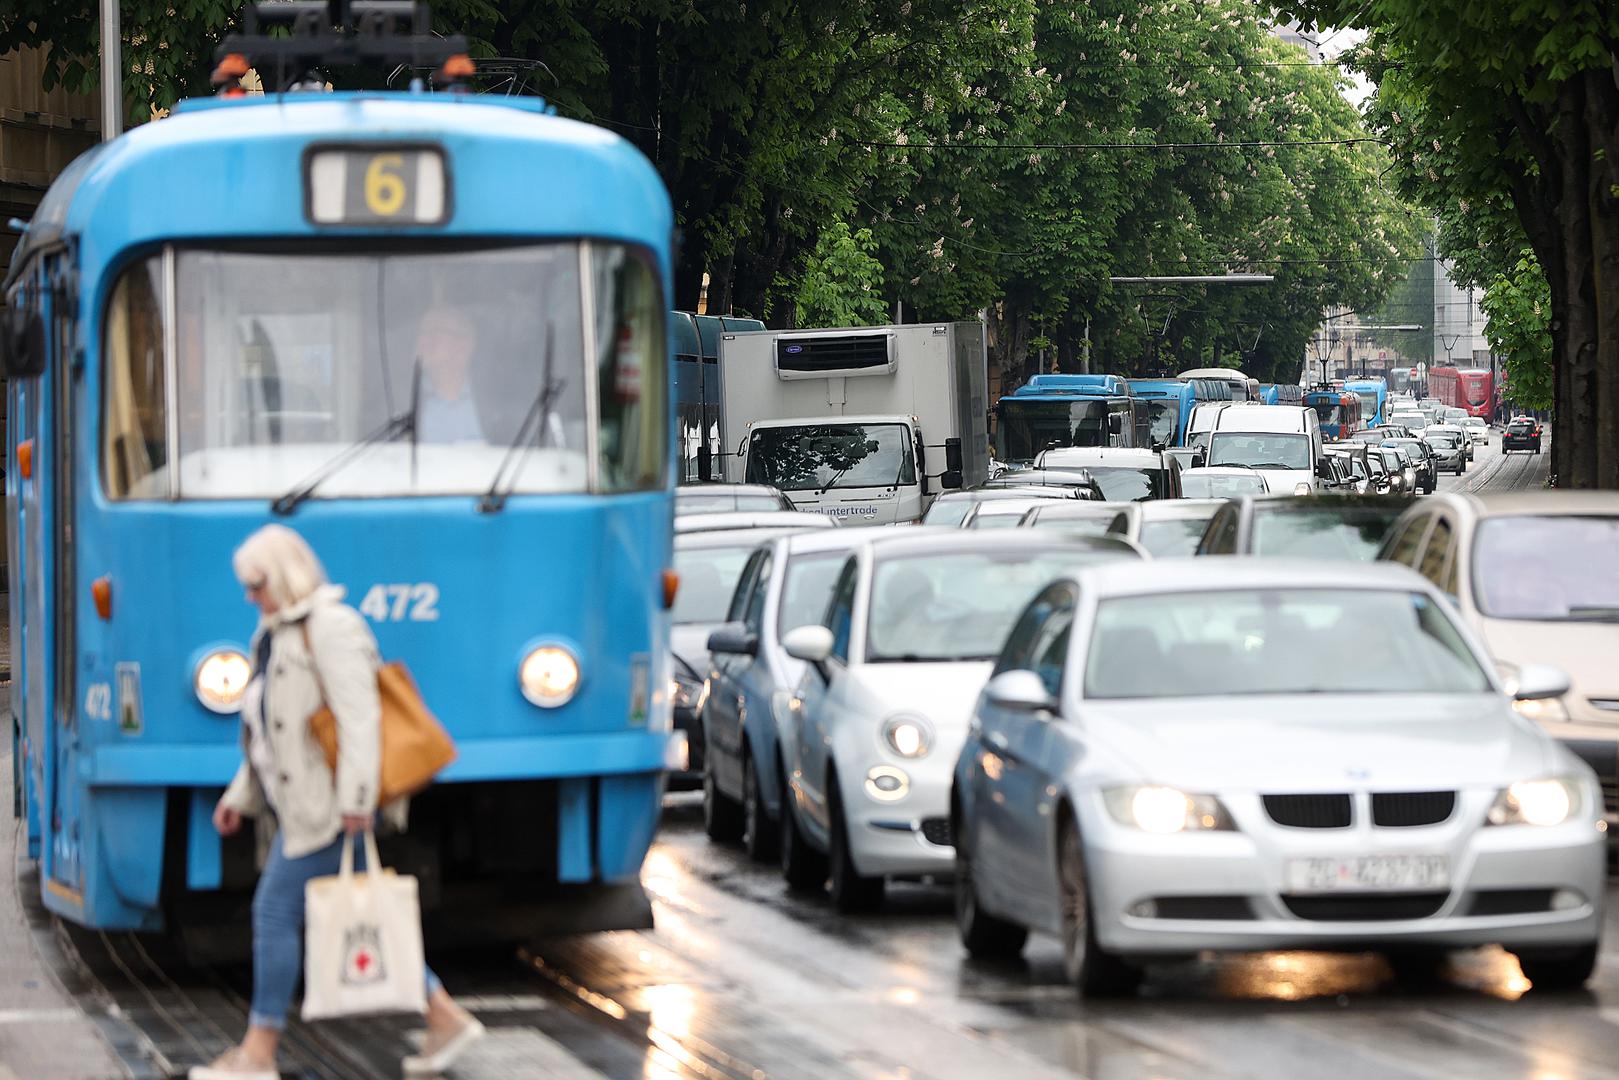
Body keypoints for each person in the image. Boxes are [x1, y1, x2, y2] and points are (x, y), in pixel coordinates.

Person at [192, 524, 484, 1080]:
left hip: (329, 809)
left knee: (274, 913)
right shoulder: (274, 632)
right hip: (300, 808)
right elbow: (270, 732)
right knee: (348, 912)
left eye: (256, 583)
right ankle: (441, 1014)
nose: (249, 596)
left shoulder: (332, 628)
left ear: (284, 574)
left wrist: (355, 801)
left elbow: (359, 719)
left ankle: (259, 1053)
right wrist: (241, 796)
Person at [413, 305, 486, 443]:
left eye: (435, 333)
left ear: (464, 346)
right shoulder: (405, 401)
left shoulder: (494, 405)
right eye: (422, 333)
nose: (424, 341)